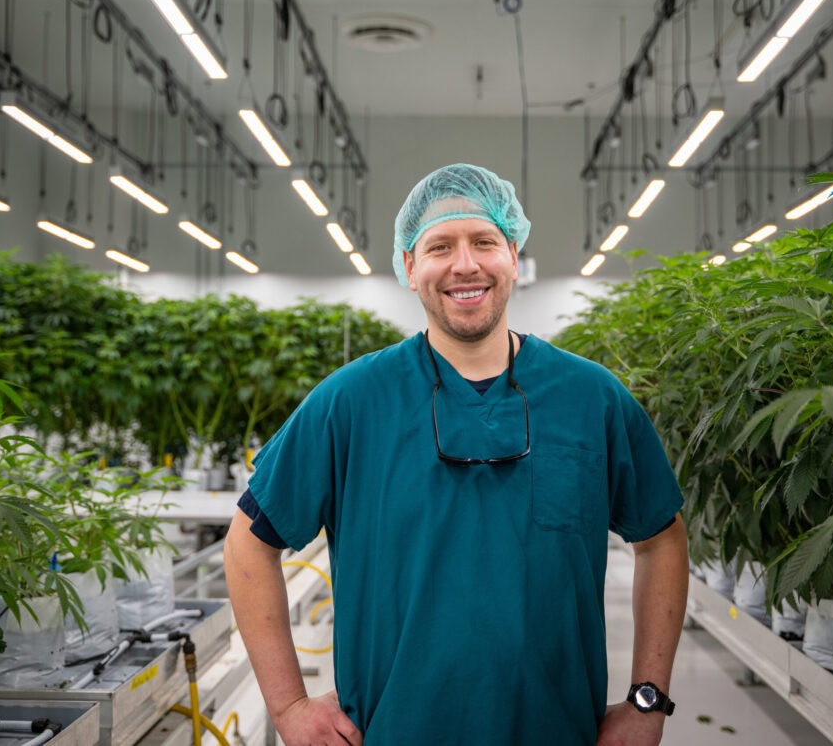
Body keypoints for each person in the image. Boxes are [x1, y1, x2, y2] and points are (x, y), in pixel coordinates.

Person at [224, 163, 689, 746]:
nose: (465, 264)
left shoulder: (591, 398)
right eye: (440, 246)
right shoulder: (349, 403)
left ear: (513, 256)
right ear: (410, 266)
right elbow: (248, 541)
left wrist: (648, 700)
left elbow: (663, 537)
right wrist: (289, 705)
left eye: (484, 242)